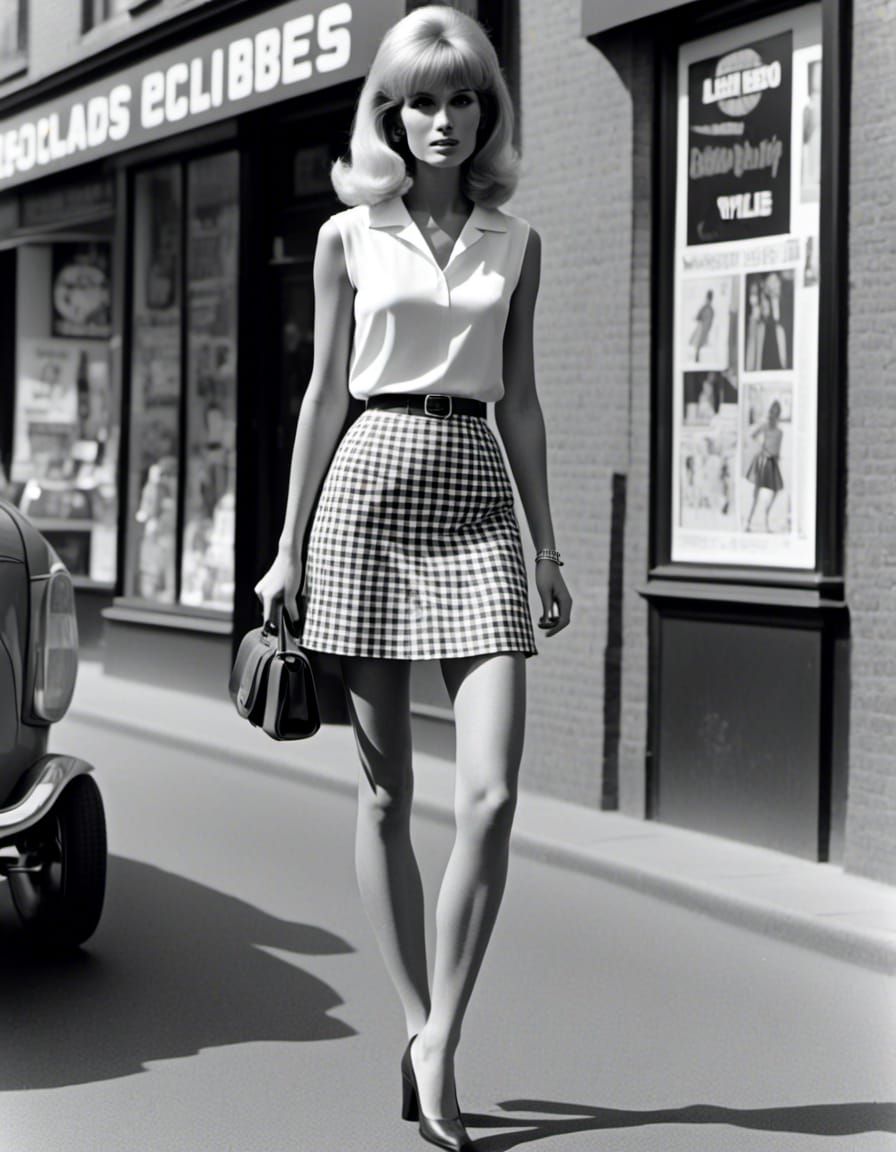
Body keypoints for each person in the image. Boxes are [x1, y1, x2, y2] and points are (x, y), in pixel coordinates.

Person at [253, 8, 572, 1151]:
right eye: (418, 102)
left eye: (461, 99)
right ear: (388, 112)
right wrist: (289, 547)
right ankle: (419, 1024)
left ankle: (439, 1039)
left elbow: (523, 402)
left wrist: (544, 545)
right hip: (368, 493)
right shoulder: (347, 238)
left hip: (477, 496)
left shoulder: (517, 242)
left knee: (487, 792)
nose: (440, 121)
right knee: (385, 797)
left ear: (487, 110)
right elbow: (323, 395)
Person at [745, 399, 785, 532]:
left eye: (776, 412)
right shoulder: (765, 426)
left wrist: (777, 459)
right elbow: (752, 435)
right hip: (763, 460)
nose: (773, 415)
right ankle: (748, 522)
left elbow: (778, 450)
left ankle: (765, 516)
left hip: (772, 462)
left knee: (776, 490)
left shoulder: (779, 432)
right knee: (756, 493)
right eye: (772, 411)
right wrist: (761, 444)